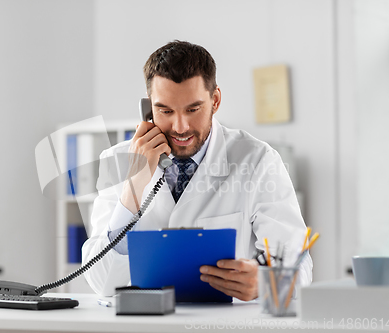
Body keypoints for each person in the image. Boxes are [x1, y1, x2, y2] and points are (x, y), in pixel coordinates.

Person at [82, 40, 312, 300]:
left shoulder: (259, 160)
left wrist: (265, 282)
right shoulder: (116, 161)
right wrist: (134, 185)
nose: (180, 127)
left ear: (215, 100)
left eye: (193, 109)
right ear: (148, 109)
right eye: (165, 110)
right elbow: (101, 281)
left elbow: (300, 265)